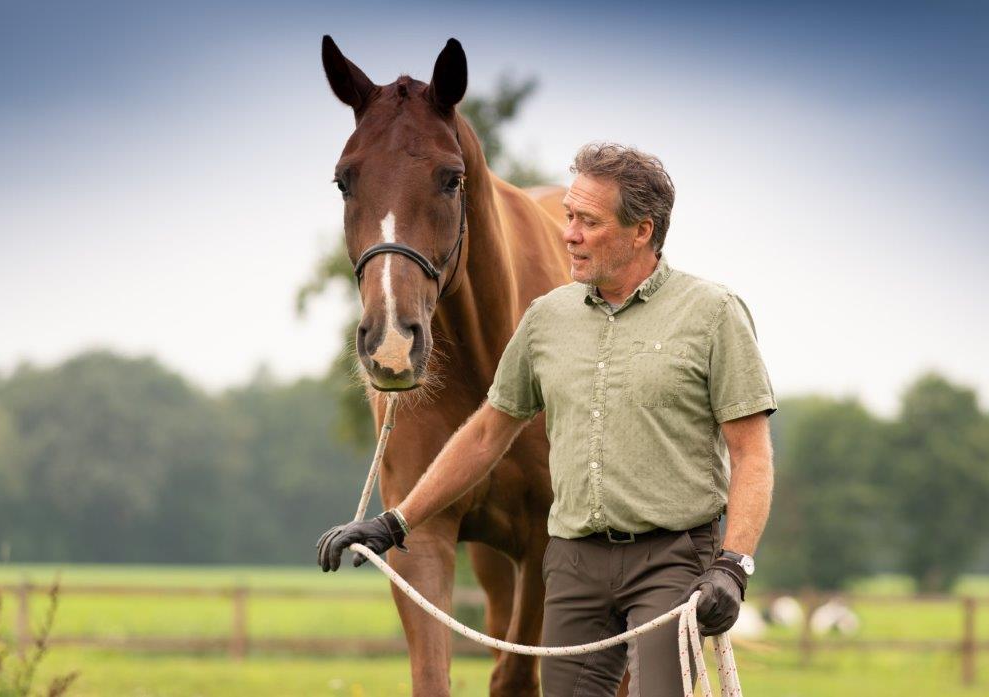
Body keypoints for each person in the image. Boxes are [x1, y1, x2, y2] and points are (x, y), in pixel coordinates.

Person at [317, 143, 776, 696]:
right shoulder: (547, 317)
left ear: (642, 231)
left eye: (588, 222)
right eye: (569, 217)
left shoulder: (713, 314)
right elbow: (487, 432)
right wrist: (397, 522)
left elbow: (751, 453)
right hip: (575, 565)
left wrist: (733, 564)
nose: (568, 235)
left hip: (670, 557)